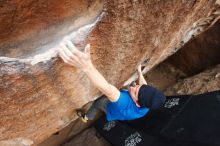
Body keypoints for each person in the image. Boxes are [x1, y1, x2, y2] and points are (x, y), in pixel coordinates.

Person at [58, 40, 166, 122]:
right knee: (136, 89)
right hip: (126, 110)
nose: (134, 87)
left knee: (97, 103)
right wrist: (139, 72)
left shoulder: (124, 104)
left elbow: (108, 89)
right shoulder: (147, 102)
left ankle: (86, 117)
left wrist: (87, 67)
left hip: (113, 110)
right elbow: (144, 86)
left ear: (137, 103)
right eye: (139, 87)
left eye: (135, 92)